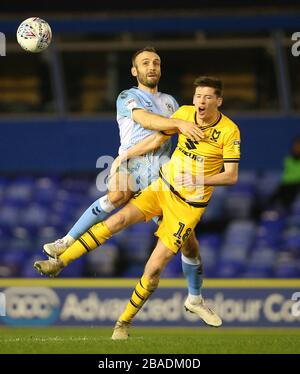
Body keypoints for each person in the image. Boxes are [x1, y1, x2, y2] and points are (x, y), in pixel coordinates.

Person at [35, 76, 240, 338]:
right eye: (198, 96)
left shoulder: (229, 131)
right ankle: (60, 262)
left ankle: (123, 323)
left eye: (208, 97)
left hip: (187, 207)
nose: (201, 101)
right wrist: (124, 156)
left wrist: (200, 178)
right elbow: (156, 140)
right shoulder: (185, 114)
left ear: (218, 101)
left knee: (155, 267)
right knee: (117, 221)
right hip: (161, 188)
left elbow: (231, 176)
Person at [269, 136, 300, 210]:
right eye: (295, 146)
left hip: (296, 187)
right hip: (285, 186)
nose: (297, 148)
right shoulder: (287, 159)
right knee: (271, 200)